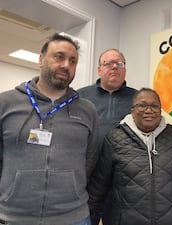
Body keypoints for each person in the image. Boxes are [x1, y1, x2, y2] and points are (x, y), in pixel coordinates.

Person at [0, 33, 101, 225]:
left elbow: (91, 159)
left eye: (73, 61)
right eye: (59, 56)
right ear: (41, 59)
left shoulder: (87, 110)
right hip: (14, 217)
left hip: (73, 217)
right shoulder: (5, 103)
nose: (66, 65)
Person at [88, 88, 172, 225]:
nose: (148, 110)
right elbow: (98, 188)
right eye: (142, 105)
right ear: (132, 110)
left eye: (154, 106)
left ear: (160, 110)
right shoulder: (114, 138)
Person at [78, 49, 137, 225]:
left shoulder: (138, 97)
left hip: (123, 178)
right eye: (108, 63)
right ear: (99, 69)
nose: (114, 67)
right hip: (88, 177)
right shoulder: (80, 96)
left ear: (125, 69)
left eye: (119, 64)